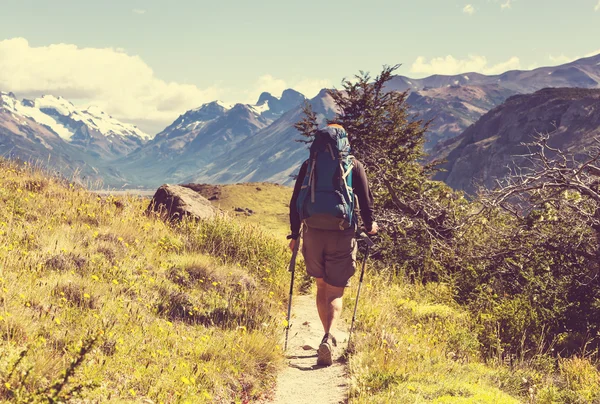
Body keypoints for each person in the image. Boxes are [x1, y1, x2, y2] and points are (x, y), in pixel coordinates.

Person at [288, 124, 377, 366]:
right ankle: (329, 336)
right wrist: (370, 226)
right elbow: (366, 202)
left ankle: (325, 335)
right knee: (336, 290)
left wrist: (294, 235)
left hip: (313, 233)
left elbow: (295, 201)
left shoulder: (310, 165)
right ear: (344, 142)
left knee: (321, 287)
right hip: (341, 233)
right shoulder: (353, 165)